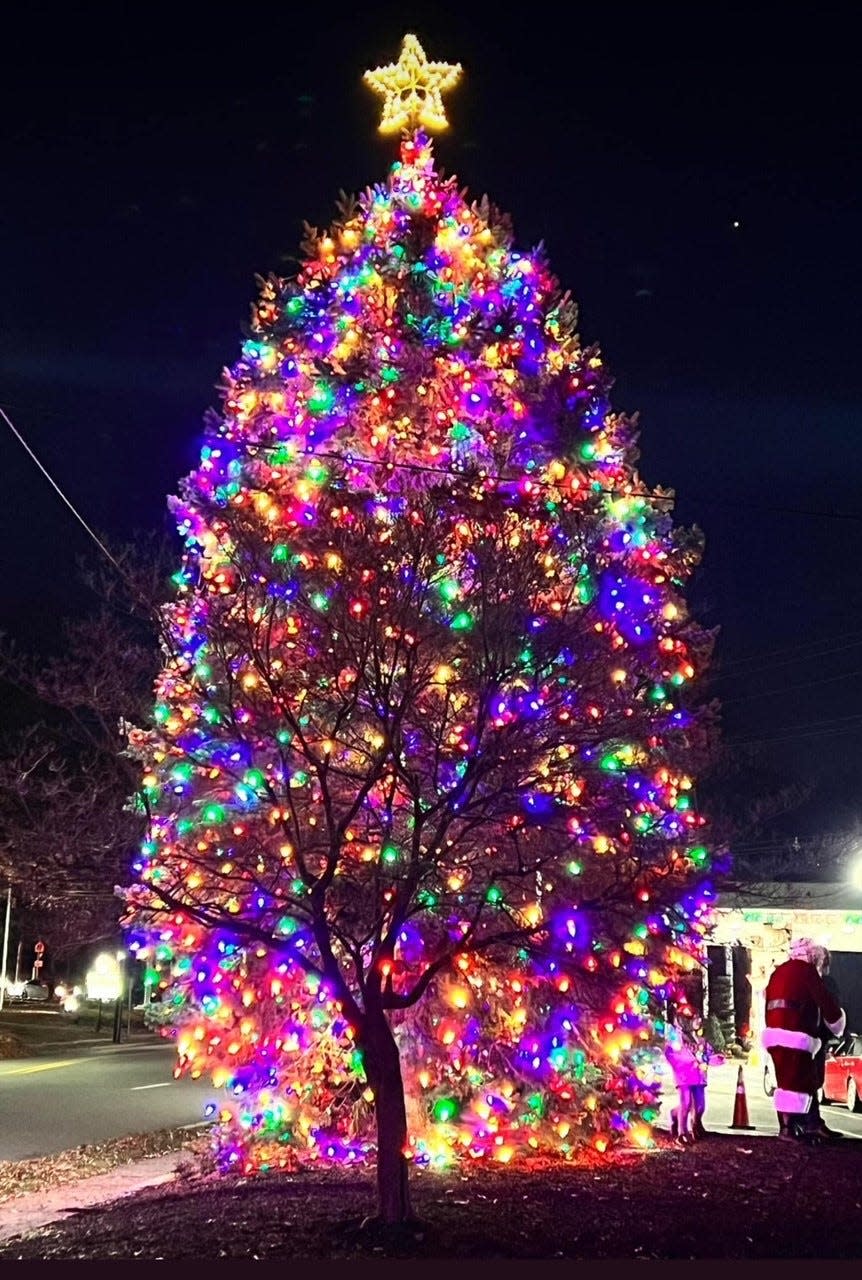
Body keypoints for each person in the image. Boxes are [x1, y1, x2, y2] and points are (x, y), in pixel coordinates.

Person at [762, 937, 846, 1142]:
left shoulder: (778, 972)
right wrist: (837, 1022)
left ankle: (793, 1127)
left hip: (775, 1033)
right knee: (803, 1081)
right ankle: (801, 1127)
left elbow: (767, 1000)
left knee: (786, 1080)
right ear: (812, 956)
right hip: (798, 1034)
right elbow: (824, 1000)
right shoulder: (806, 971)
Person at [664, 1010, 724, 1144]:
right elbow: (672, 1055)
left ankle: (677, 1115)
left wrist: (715, 1059)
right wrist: (692, 1062)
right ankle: (682, 1132)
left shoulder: (699, 1038)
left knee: (700, 1106)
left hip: (699, 1077)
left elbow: (706, 1055)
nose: (699, 1021)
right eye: (695, 1018)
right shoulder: (676, 1038)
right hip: (684, 1076)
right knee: (686, 1103)